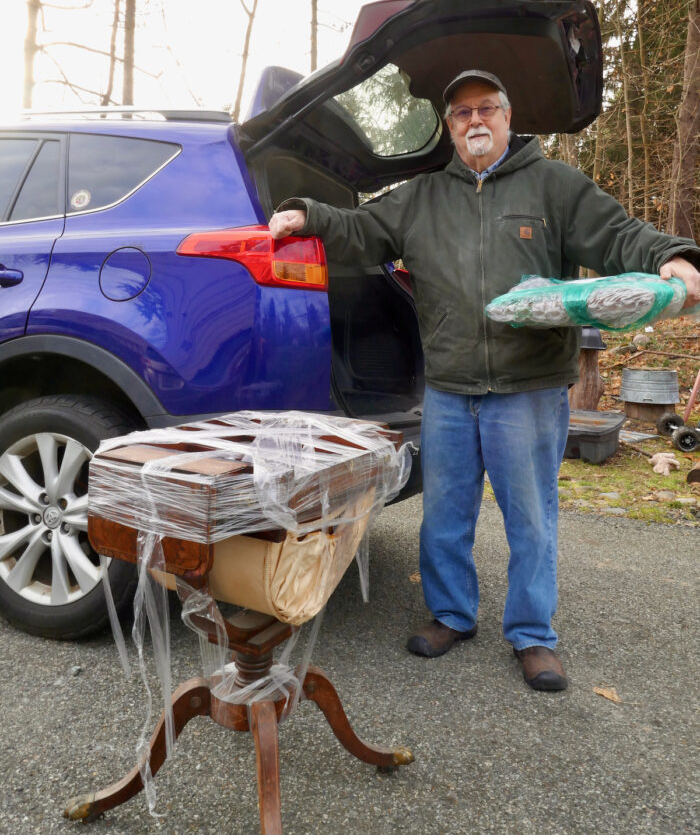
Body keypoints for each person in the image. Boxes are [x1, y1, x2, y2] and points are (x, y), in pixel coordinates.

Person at [268, 69, 700, 692]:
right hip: (448, 387)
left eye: (487, 109)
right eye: (463, 112)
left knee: (531, 516)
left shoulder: (554, 186)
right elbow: (361, 230)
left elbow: (617, 235)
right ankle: (451, 615)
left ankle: (532, 635)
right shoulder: (421, 196)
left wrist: (671, 255)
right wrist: (306, 214)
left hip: (528, 389)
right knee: (445, 511)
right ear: (449, 127)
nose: (476, 120)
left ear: (507, 116)